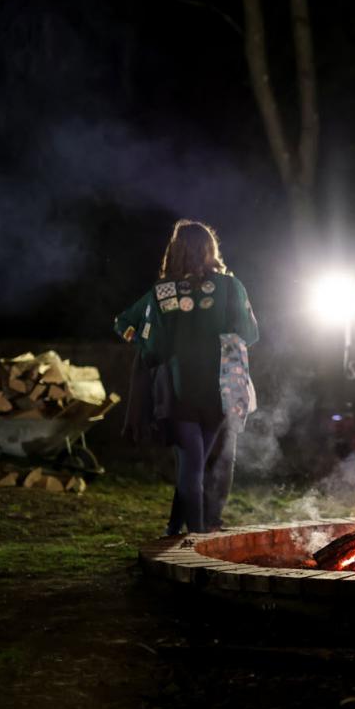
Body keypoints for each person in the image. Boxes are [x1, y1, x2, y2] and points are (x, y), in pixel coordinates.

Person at [114, 219, 259, 536]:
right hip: (219, 392)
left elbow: (138, 335)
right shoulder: (230, 286)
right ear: (211, 250)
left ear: (174, 251)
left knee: (190, 467)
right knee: (199, 465)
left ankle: (187, 533)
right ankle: (194, 534)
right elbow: (250, 333)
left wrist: (141, 341)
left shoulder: (162, 293)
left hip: (179, 394)